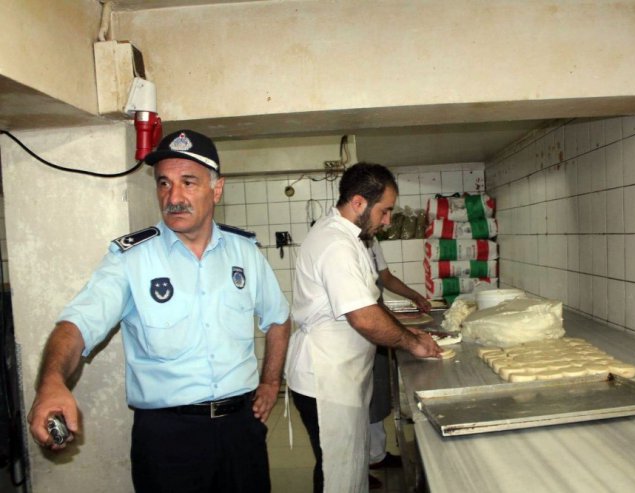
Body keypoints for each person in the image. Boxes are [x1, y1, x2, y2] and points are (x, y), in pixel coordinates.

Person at [26, 129, 291, 493]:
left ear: (217, 189)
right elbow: (77, 326)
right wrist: (52, 382)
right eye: (164, 183)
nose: (174, 197)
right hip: (168, 439)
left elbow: (278, 318)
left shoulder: (244, 253)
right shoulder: (131, 259)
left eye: (188, 182)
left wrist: (271, 382)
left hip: (240, 431)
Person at [285, 162, 442, 493]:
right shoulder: (335, 243)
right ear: (358, 203)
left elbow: (367, 303)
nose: (387, 221)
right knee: (336, 473)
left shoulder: (348, 236)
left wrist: (408, 332)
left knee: (347, 465)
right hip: (324, 380)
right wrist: (412, 343)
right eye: (384, 211)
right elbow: (364, 316)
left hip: (338, 375)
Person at [366, 238, 431, 489]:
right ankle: (359, 466)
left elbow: (386, 277)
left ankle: (376, 455)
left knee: (378, 393)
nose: (386, 221)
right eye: (383, 211)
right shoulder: (342, 240)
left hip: (377, 321)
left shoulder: (371, 241)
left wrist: (415, 296)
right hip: (360, 327)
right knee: (360, 402)